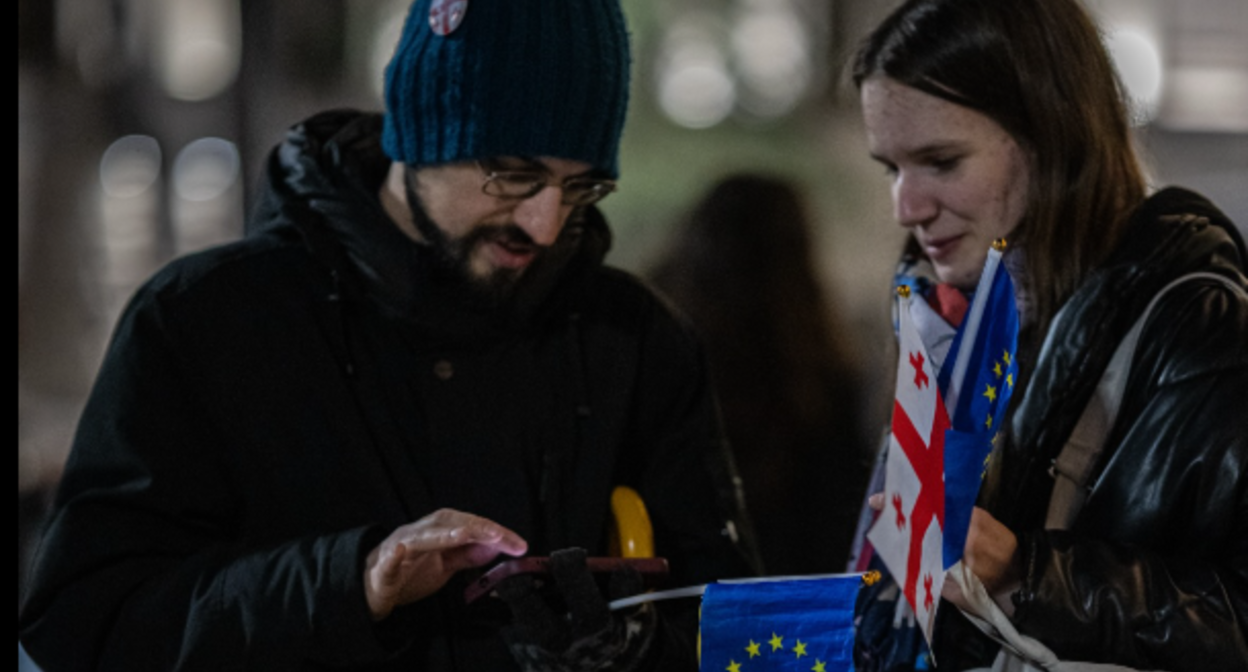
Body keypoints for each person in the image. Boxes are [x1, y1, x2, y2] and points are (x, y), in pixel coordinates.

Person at [16, 1, 759, 670]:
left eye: (582, 186)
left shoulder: (634, 339)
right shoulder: (204, 320)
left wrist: (636, 651)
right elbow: (86, 625)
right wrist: (352, 582)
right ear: (422, 133)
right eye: (512, 174)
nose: (547, 221)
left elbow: (740, 628)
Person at [847, 0, 1248, 670]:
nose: (906, 207)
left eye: (941, 162)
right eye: (890, 168)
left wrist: (1022, 574)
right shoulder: (940, 318)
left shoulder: (1199, 325)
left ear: (1051, 137)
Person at [647, 173, 872, 577]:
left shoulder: (652, 349)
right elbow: (836, 523)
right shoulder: (820, 373)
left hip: (675, 593)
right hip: (786, 608)